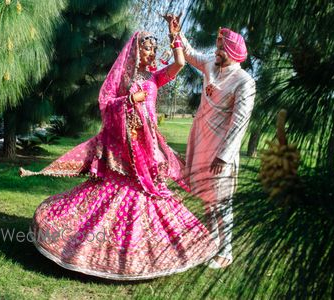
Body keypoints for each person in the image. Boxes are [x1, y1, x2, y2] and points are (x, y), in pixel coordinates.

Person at [19, 31, 217, 280]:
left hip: (148, 146)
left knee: (149, 194)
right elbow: (105, 101)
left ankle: (152, 249)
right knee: (117, 190)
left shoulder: (155, 78)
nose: (151, 53)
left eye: (154, 49)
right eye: (147, 49)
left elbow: (179, 63)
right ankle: (87, 244)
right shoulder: (123, 78)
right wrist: (129, 100)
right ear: (136, 51)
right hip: (124, 147)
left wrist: (176, 36)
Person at [164, 15, 256, 269]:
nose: (215, 51)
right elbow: (190, 53)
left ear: (231, 52)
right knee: (207, 198)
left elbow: (240, 123)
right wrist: (176, 33)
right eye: (216, 46)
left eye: (220, 47)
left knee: (222, 201)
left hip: (221, 152)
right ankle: (212, 244)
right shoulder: (209, 65)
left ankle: (226, 253)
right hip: (201, 143)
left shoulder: (244, 82)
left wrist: (225, 156)